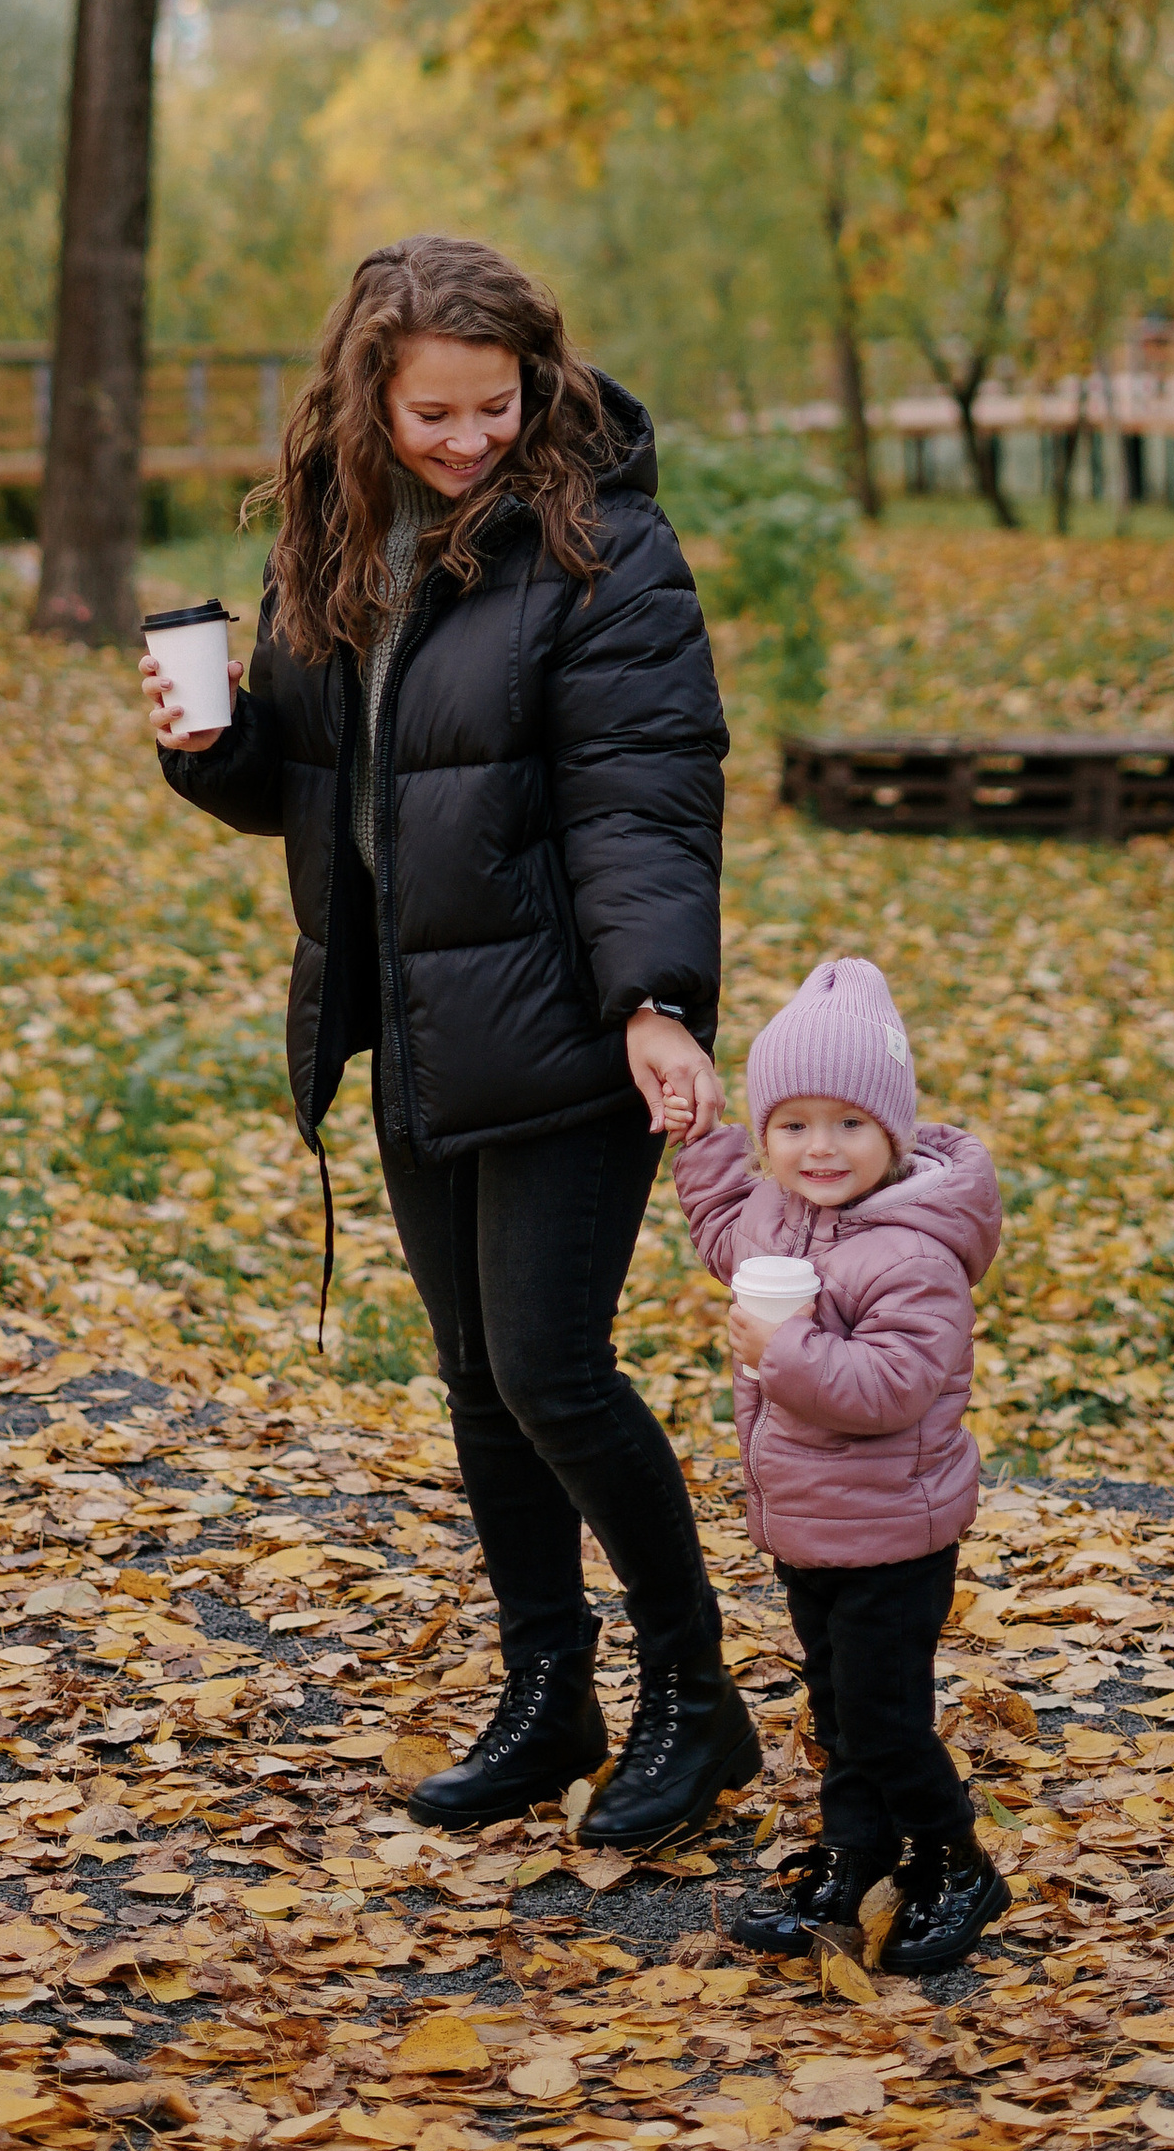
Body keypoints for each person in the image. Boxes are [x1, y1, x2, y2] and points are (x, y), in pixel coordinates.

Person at [141, 233, 761, 1851]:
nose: (469, 440)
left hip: (565, 1027)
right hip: (415, 1021)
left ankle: (700, 1704)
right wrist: (213, 749)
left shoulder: (605, 550)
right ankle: (549, 1696)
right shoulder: (339, 540)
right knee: (481, 1383)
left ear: (536, 384)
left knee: (555, 1371)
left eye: (495, 407)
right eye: (434, 414)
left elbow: (644, 794)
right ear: (369, 396)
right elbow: (327, 786)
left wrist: (656, 1003)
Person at [673, 953, 1012, 1974]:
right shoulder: (779, 1214)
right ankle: (852, 1860)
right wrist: (703, 1138)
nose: (818, 1148)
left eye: (848, 1125)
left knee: (882, 1716)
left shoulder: (911, 1253)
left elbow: (889, 1389)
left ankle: (955, 1862)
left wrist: (781, 1355)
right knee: (836, 1705)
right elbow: (720, 1226)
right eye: (791, 1125)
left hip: (891, 1533)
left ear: (892, 1132)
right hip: (814, 1526)